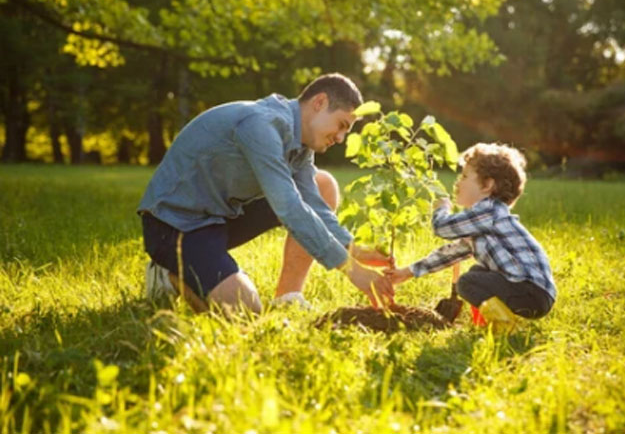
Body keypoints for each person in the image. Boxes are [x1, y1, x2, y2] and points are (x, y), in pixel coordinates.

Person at [138, 73, 394, 313]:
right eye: (341, 125)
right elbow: (290, 207)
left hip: (219, 217)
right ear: (319, 102)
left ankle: (287, 297)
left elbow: (313, 204)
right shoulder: (262, 125)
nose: (339, 138)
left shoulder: (302, 146)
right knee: (246, 310)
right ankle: (168, 275)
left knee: (321, 184)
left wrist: (354, 249)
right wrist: (352, 271)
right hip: (174, 225)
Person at [383, 143, 556, 327]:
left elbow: (442, 228)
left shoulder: (488, 211)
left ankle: (502, 327)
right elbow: (449, 253)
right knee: (476, 274)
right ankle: (484, 324)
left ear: (487, 185)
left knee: (467, 283)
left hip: (530, 291)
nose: (458, 182)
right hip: (534, 293)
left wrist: (442, 208)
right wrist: (406, 273)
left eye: (465, 176)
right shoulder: (484, 221)